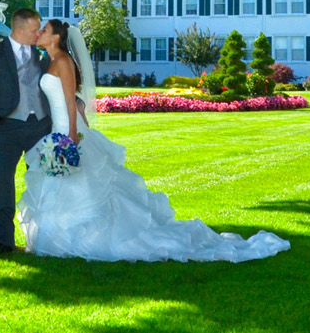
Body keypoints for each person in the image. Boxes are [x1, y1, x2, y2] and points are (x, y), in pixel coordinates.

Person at [18, 18, 290, 263]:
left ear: (56, 37)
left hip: (66, 133)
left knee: (82, 188)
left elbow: (69, 101)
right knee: (60, 188)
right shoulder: (50, 61)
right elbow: (73, 101)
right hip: (56, 131)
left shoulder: (63, 61)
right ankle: (57, 238)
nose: (40, 32)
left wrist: (72, 136)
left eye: (45, 30)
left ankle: (84, 238)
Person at [0, 8, 52, 253]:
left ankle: (43, 237)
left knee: (42, 181)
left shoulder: (43, 54)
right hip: (6, 127)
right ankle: (3, 240)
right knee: (3, 182)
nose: (38, 33)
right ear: (19, 30)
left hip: (40, 126)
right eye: (34, 30)